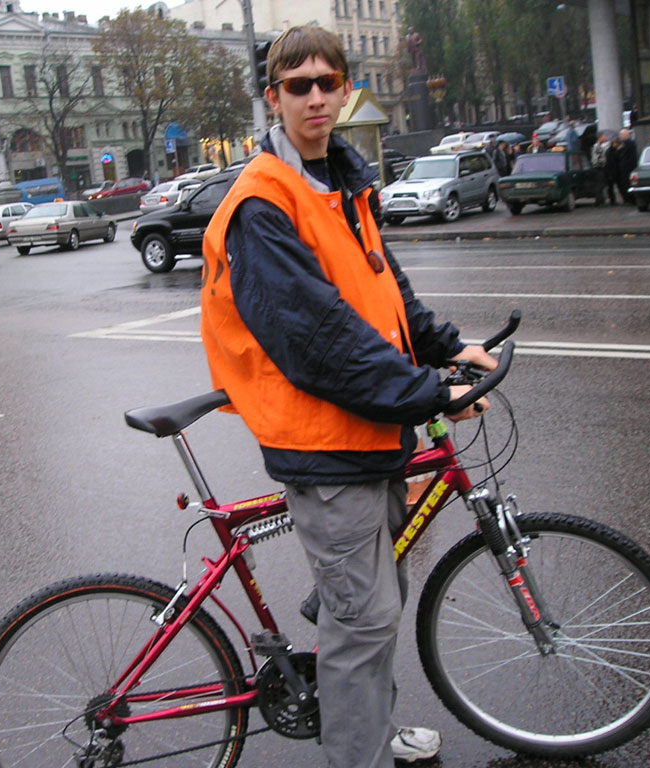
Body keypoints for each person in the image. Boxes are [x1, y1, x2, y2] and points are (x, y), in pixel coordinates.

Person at [200, 25, 497, 768]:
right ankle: (356, 753)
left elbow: (383, 292)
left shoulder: (338, 181)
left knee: (373, 606)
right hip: (324, 444)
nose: (315, 98)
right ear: (273, 97)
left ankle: (367, 726)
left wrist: (448, 347)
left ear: (345, 90)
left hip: (366, 434)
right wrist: (432, 394)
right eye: (297, 85)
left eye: (327, 83)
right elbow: (323, 343)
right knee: (363, 621)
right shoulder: (264, 202)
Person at [616, 127, 638, 203]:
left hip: (627, 167)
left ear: (625, 135)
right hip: (631, 166)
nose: (620, 136)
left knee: (627, 183)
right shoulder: (632, 142)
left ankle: (630, 199)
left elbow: (619, 152)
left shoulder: (626, 143)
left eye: (621, 134)